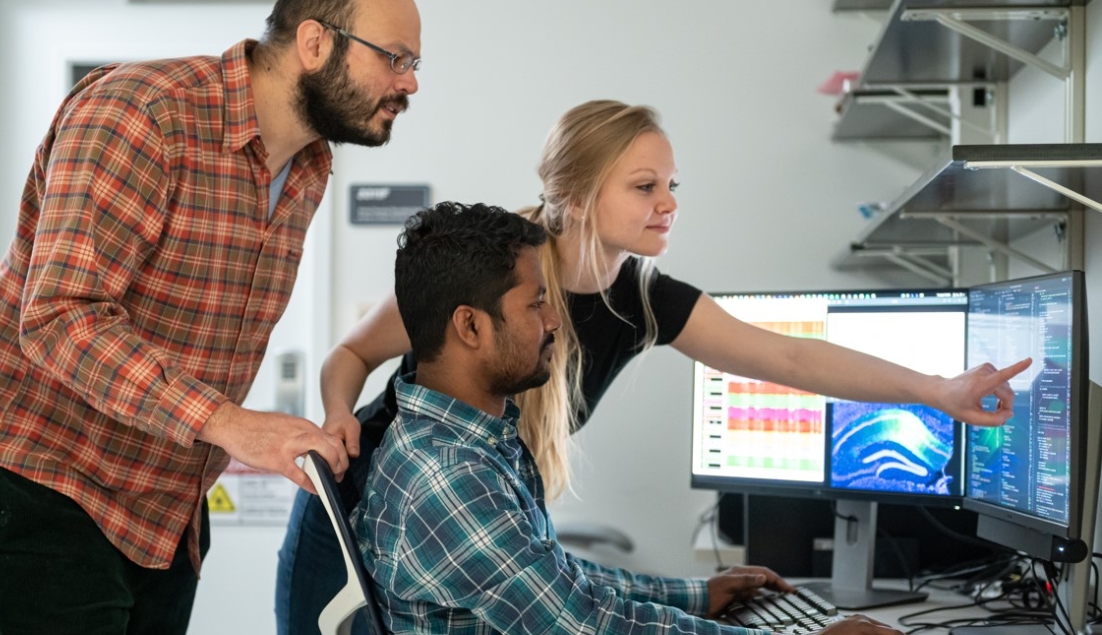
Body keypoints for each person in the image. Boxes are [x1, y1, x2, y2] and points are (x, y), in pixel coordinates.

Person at [276, 100, 1031, 633]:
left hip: (454, 527)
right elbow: (351, 354)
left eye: (673, 185)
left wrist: (938, 391)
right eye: (645, 186)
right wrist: (337, 419)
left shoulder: (636, 299)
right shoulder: (486, 272)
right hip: (359, 514)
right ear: (575, 193)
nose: (668, 202)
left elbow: (787, 354)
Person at [0, 0, 420, 632]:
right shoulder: (141, 112)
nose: (410, 82)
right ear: (315, 43)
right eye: (395, 58)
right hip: (51, 477)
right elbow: (59, 318)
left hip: (168, 504)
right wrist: (233, 425)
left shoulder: (310, 167)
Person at [350, 200, 905, 635]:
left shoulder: (467, 443)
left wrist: (696, 594)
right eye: (535, 303)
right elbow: (585, 625)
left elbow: (557, 586)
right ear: (470, 328)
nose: (555, 321)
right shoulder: (449, 475)